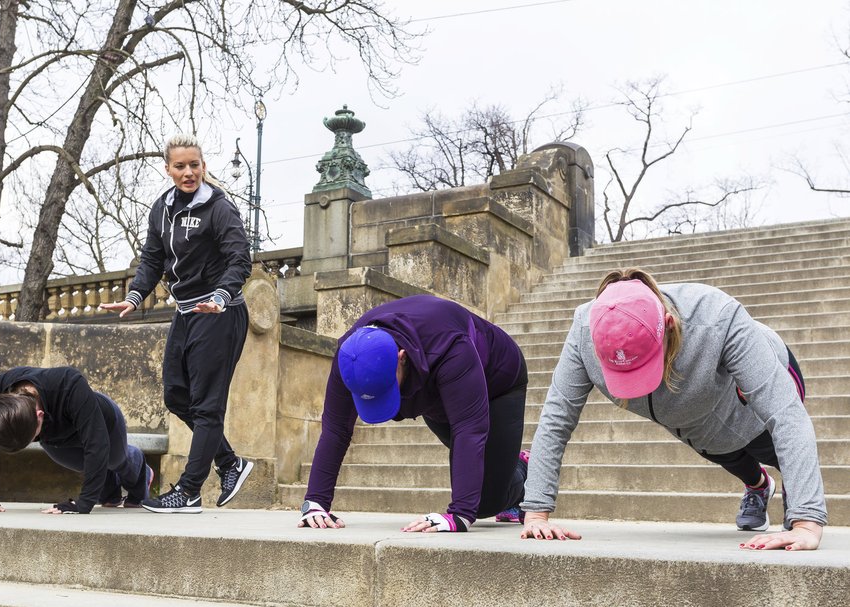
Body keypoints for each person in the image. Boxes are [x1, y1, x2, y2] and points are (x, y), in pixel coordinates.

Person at [521, 268, 826, 551]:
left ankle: (794, 496)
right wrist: (536, 515)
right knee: (722, 449)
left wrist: (806, 524)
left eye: (641, 368)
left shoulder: (716, 317)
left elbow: (786, 415)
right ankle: (759, 487)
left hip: (752, 396)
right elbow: (555, 421)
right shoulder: (584, 331)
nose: (639, 385)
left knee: (776, 452)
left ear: (668, 325)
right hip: (694, 422)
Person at [100, 134, 254, 514]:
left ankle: (188, 491)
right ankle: (231, 462)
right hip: (185, 312)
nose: (189, 173)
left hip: (220, 313)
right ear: (168, 169)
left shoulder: (218, 207)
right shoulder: (162, 209)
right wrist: (136, 296)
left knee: (207, 406)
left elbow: (240, 260)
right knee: (176, 396)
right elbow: (152, 259)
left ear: (204, 166)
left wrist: (219, 296)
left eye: (195, 165)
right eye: (180, 166)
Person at [298, 295, 529, 532]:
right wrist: (316, 501)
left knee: (483, 503)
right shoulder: (350, 356)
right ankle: (503, 467)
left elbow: (469, 428)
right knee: (480, 470)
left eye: (385, 390)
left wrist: (459, 515)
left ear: (401, 357)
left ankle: (520, 468)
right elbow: (336, 428)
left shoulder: (449, 347)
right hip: (435, 393)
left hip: (498, 384)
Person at [0, 366, 153, 514]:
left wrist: (83, 504)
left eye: (33, 438)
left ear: (39, 415)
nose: (34, 441)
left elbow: (96, 444)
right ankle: (111, 493)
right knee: (95, 477)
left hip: (104, 423)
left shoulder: (68, 383)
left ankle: (138, 465)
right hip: (58, 438)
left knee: (115, 460)